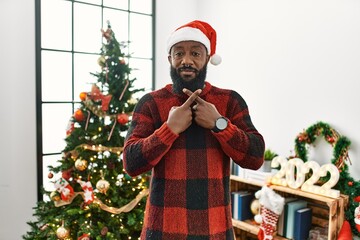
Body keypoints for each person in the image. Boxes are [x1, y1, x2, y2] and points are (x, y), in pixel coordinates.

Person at [123, 20, 265, 239]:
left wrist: (220, 124)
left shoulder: (229, 101)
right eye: (179, 53)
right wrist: (169, 129)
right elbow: (131, 163)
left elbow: (255, 158)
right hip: (162, 231)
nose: (186, 61)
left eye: (195, 54)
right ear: (170, 59)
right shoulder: (150, 103)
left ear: (207, 58)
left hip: (215, 230)